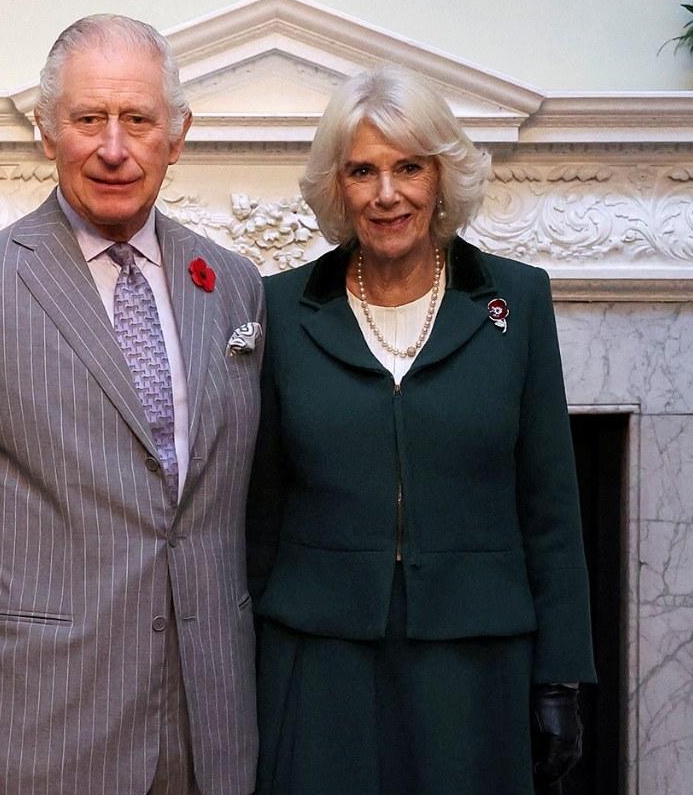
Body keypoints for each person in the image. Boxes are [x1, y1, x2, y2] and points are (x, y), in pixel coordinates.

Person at [0, 14, 264, 795]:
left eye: (138, 119)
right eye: (88, 118)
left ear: (178, 135)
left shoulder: (233, 284)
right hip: (40, 722)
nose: (113, 147)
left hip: (206, 723)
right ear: (44, 130)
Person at [246, 66, 595, 795]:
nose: (386, 193)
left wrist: (560, 679)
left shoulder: (517, 303)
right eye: (362, 171)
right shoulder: (280, 308)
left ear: (442, 178)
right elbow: (257, 512)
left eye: (409, 167)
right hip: (319, 656)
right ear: (336, 187)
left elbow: (552, 507)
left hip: (476, 659)